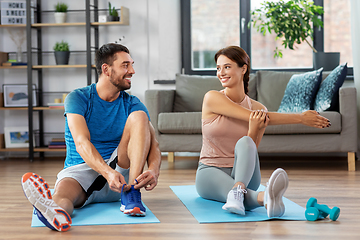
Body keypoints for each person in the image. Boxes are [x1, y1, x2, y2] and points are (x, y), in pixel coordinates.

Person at [21, 43, 161, 231]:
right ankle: (54, 212)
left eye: (132, 64)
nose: (132, 71)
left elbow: (154, 144)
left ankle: (132, 194)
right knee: (62, 198)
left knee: (139, 117)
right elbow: (81, 142)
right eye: (125, 65)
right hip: (81, 170)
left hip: (121, 175)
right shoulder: (78, 98)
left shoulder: (132, 103)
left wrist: (153, 170)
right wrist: (107, 172)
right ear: (106, 69)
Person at [195, 46, 331, 218]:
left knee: (246, 142)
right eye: (218, 68)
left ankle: (241, 192)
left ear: (243, 68)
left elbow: (251, 150)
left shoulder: (259, 109)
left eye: (227, 67)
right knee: (238, 192)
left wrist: (253, 130)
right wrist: (301, 118)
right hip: (210, 171)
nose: (221, 72)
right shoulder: (212, 98)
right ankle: (265, 198)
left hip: (244, 172)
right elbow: (251, 116)